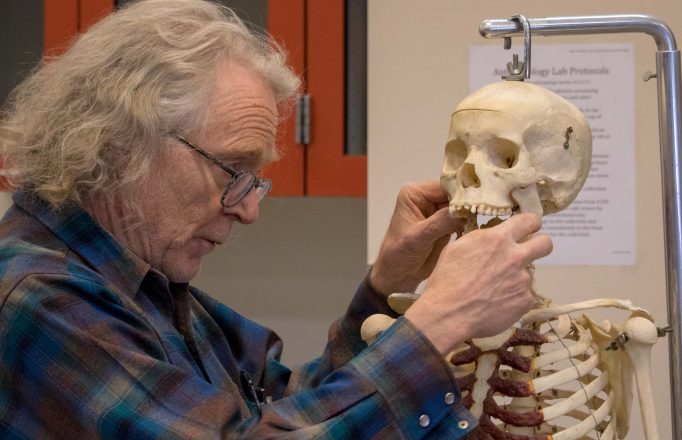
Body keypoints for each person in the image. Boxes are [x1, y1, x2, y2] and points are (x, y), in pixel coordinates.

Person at [0, 0, 552, 438]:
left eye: (254, 177)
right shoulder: (36, 297)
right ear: (121, 144)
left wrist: (388, 287)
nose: (248, 208)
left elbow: (287, 411)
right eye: (230, 168)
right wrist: (441, 320)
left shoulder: (146, 283)